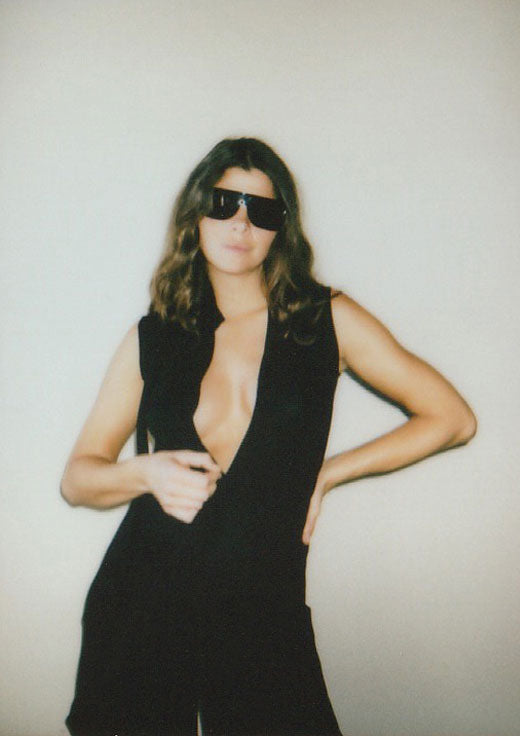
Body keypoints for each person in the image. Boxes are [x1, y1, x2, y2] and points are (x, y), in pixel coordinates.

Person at [61, 137, 476, 736]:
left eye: (262, 210)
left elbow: (452, 418)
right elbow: (78, 480)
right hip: (142, 602)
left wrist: (328, 473)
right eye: (223, 203)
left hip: (263, 613)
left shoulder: (325, 319)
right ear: (196, 214)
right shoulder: (154, 337)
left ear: (282, 227)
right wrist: (144, 473)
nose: (241, 223)